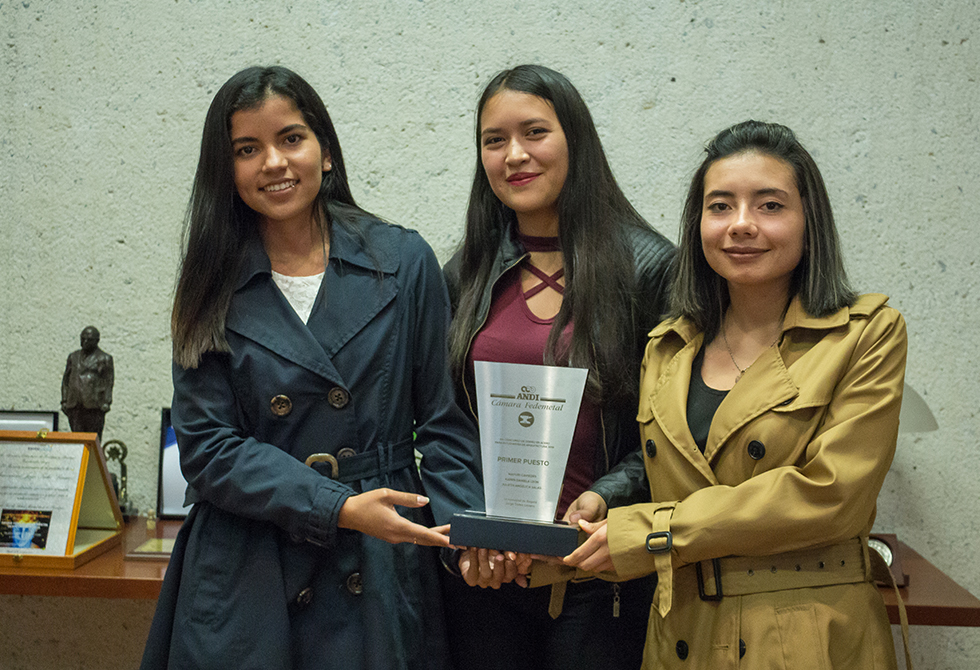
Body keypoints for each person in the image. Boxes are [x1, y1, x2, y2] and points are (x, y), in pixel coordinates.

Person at [140, 66, 482, 670]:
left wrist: (467, 537)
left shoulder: (403, 260)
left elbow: (445, 424)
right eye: (247, 149)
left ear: (325, 151)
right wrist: (336, 505)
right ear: (226, 170)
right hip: (248, 566)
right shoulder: (209, 279)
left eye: (291, 139)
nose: (273, 162)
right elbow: (208, 449)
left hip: (378, 556)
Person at [565, 120, 907, 669]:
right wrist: (604, 502)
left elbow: (831, 497)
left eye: (770, 206)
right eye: (720, 206)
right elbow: (674, 472)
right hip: (679, 633)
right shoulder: (668, 346)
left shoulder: (865, 335)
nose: (741, 224)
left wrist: (652, 532)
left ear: (809, 221)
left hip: (801, 634)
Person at [441, 64, 675, 670]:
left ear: (576, 139)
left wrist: (606, 496)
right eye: (494, 140)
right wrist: (468, 537)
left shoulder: (650, 269)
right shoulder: (464, 273)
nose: (514, 155)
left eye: (535, 132)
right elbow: (444, 426)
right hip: (487, 576)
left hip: (599, 574)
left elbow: (673, 431)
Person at [61, 325, 114, 441]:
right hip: (74, 405)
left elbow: (109, 382)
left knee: (92, 440)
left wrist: (106, 401)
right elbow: (66, 380)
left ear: (97, 340)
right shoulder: (73, 357)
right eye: (82, 338)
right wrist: (64, 400)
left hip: (94, 406)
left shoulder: (105, 358)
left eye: (89, 339)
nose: (84, 342)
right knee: (76, 439)